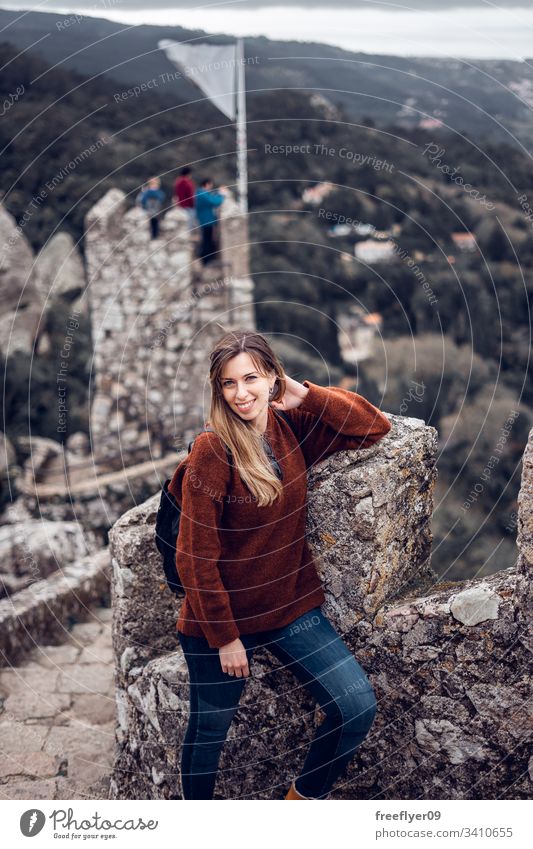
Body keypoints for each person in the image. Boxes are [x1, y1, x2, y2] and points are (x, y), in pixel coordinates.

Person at [167, 329, 392, 800]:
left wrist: (301, 392)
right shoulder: (212, 451)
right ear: (217, 390)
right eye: (228, 384)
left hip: (290, 608)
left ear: (272, 376)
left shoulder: (289, 428)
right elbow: (194, 556)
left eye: (251, 378)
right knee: (209, 733)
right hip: (222, 619)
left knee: (355, 706)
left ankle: (297, 807)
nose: (241, 393)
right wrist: (227, 638)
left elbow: (373, 427)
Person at [195, 178, 227, 265]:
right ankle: (206, 260)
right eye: (210, 185)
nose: (211, 187)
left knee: (207, 240)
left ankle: (206, 259)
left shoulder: (200, 193)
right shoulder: (202, 194)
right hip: (206, 221)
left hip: (205, 220)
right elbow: (214, 201)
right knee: (207, 241)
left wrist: (218, 193)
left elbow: (211, 197)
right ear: (207, 184)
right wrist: (222, 195)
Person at [173, 166, 196, 233]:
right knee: (189, 224)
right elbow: (190, 195)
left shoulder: (178, 181)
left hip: (180, 205)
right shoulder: (187, 182)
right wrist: (194, 204)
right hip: (188, 206)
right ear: (188, 173)